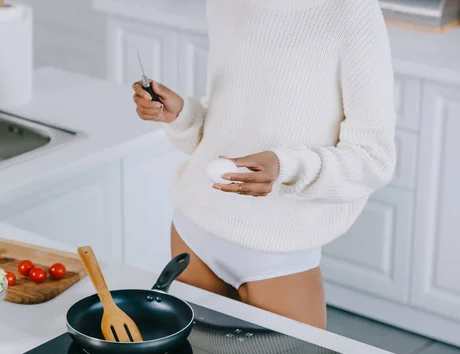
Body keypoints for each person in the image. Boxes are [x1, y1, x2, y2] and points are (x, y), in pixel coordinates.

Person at [132, 0, 396, 329]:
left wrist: (284, 167)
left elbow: (374, 157)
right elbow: (225, 120)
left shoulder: (350, 10)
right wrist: (182, 115)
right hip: (195, 228)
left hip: (278, 252)